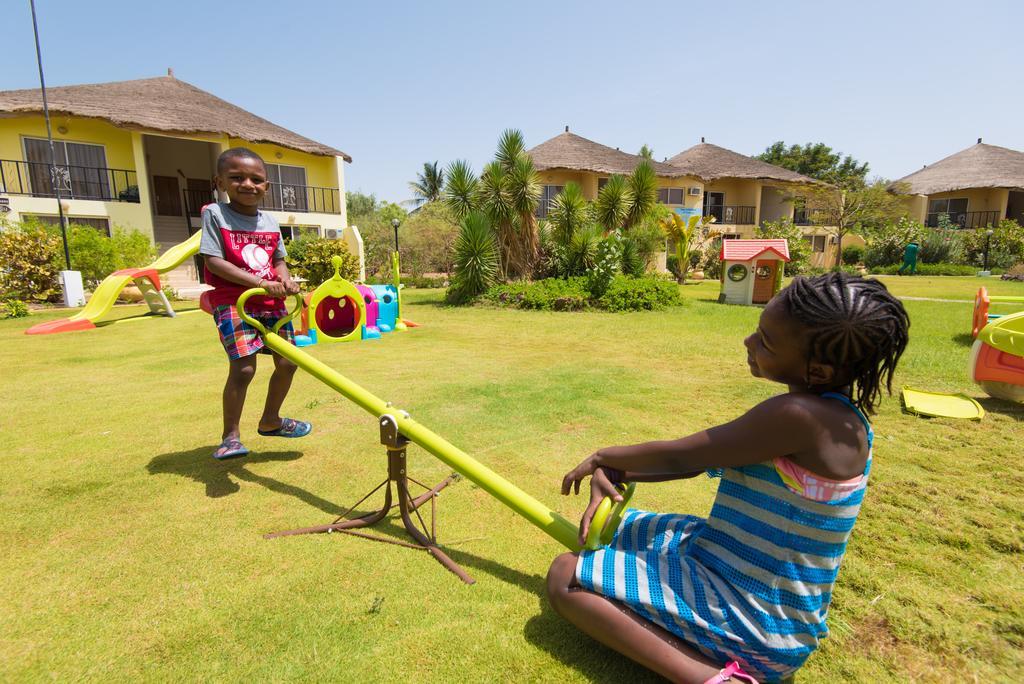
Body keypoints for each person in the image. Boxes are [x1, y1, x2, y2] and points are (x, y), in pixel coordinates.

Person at [547, 273, 910, 683]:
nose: (749, 343)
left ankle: (711, 677)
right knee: (624, 531)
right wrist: (617, 472)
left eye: (766, 342)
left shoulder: (799, 417)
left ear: (820, 370)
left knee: (566, 575)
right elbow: (697, 463)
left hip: (754, 620)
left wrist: (602, 456)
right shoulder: (835, 417)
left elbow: (684, 453)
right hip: (739, 571)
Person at [199, 147, 311, 460]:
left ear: (266, 186)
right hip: (234, 301)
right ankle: (230, 437)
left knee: (288, 361)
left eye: (256, 179)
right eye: (237, 177)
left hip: (271, 303)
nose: (248, 184)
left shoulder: (271, 222)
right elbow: (214, 262)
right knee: (244, 368)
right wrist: (262, 283)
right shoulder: (216, 214)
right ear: (220, 182)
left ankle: (271, 421)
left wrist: (284, 280)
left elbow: (278, 261)